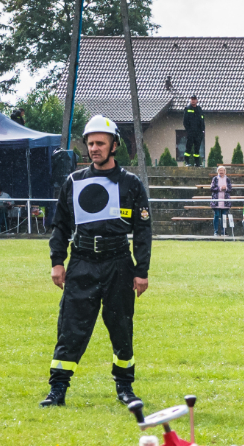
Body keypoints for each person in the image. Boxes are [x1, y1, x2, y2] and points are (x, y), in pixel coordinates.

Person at [42, 115, 153, 409]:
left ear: (114, 145)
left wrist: (141, 271)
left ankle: (125, 387)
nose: (94, 148)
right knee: (71, 326)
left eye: (100, 143)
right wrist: (57, 262)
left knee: (121, 326)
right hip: (82, 262)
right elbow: (61, 226)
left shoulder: (131, 184)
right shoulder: (74, 181)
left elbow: (143, 231)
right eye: (90, 143)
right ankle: (58, 390)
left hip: (118, 262)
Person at [181, 95, 205, 167]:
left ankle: (197, 163)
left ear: (197, 100)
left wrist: (202, 130)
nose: (193, 101)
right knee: (189, 147)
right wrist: (188, 130)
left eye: (194, 99)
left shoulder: (199, 109)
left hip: (198, 133)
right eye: (192, 99)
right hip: (191, 132)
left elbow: (202, 120)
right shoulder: (188, 109)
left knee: (197, 149)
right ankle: (187, 162)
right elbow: (185, 122)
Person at [210, 165, 232, 236]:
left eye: (222, 171)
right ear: (218, 172)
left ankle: (223, 232)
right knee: (216, 215)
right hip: (216, 201)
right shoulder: (215, 179)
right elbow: (212, 188)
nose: (221, 172)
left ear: (225, 172)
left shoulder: (227, 179)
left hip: (225, 201)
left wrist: (225, 188)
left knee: (224, 216)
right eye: (220, 171)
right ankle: (216, 232)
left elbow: (230, 189)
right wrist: (219, 188)